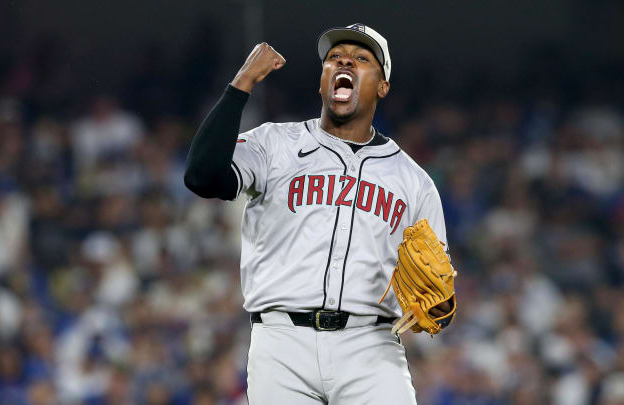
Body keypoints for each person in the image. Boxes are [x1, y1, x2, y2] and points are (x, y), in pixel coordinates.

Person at [184, 23, 451, 404]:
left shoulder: (414, 181)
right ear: (323, 82)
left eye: (361, 59)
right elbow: (202, 177)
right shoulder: (275, 144)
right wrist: (242, 83)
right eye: (334, 59)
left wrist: (437, 305)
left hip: (371, 347)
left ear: (382, 86)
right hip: (281, 343)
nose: (345, 61)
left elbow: (437, 292)